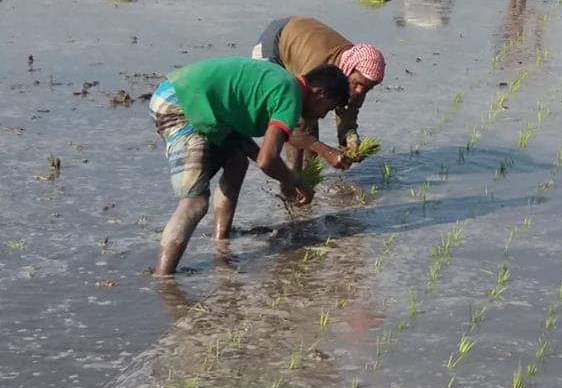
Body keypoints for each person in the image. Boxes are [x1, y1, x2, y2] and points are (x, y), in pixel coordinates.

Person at [149, 58, 350, 276]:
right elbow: (267, 159)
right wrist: (294, 180)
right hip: (181, 103)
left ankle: (221, 241)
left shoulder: (282, 82)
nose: (322, 115)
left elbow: (245, 144)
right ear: (320, 93)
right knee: (195, 202)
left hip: (192, 100)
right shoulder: (291, 96)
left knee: (236, 161)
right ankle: (163, 279)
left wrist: (288, 178)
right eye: (328, 109)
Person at [251, 16, 386, 171]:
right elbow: (297, 120)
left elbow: (348, 107)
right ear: (349, 70)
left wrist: (349, 138)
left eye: (368, 88)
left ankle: (305, 177)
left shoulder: (355, 68)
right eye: (358, 84)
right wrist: (325, 152)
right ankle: (294, 179)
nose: (360, 91)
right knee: (292, 113)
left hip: (302, 36)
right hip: (275, 44)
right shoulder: (318, 67)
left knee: (311, 121)